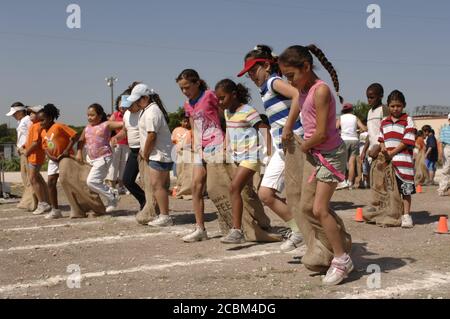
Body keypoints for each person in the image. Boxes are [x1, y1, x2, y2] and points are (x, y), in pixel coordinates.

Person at [278, 44, 352, 285]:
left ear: (306, 67)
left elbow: (321, 133)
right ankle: (331, 246)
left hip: (328, 155)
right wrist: (289, 126)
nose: (290, 81)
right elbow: (298, 102)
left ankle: (342, 259)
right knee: (306, 206)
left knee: (319, 209)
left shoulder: (320, 91)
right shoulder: (304, 87)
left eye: (291, 76)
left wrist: (304, 147)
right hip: (316, 151)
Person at [236, 45, 304, 252]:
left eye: (253, 70)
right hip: (280, 148)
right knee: (265, 194)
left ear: (266, 65)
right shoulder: (264, 88)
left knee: (304, 197)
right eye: (247, 73)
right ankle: (298, 231)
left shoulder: (274, 82)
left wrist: (289, 127)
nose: (251, 75)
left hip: (295, 144)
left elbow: (298, 97)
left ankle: (324, 241)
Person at [215, 79, 272, 244]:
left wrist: (269, 153)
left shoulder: (248, 111)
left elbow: (263, 128)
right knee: (248, 192)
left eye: (222, 98)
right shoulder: (227, 113)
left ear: (234, 95)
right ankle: (263, 223)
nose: (219, 102)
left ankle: (237, 230)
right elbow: (229, 132)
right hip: (237, 158)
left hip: (251, 157)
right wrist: (225, 147)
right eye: (218, 98)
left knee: (234, 188)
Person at [176, 69, 224, 242]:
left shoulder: (210, 95)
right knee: (196, 187)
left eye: (187, 87)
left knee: (217, 188)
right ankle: (200, 229)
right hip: (200, 150)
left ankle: (236, 225)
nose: (184, 91)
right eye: (181, 88)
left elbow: (223, 115)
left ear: (197, 83)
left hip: (217, 145)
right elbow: (192, 124)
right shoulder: (187, 104)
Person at [128, 84, 174, 227]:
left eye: (138, 100)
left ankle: (165, 216)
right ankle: (163, 214)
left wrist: (146, 154)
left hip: (157, 154)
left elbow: (152, 135)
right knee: (158, 186)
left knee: (157, 186)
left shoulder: (152, 111)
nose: (135, 102)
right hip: (157, 153)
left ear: (146, 98)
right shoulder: (148, 110)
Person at [379, 90, 416, 228]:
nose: (395, 109)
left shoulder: (408, 120)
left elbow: (407, 140)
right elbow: (381, 138)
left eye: (398, 106)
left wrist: (392, 153)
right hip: (389, 164)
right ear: (388, 106)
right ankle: (393, 214)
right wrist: (383, 149)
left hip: (404, 162)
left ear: (404, 105)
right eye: (393, 106)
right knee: (391, 190)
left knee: (405, 190)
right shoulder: (384, 121)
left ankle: (406, 215)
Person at [76, 103, 123, 213]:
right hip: (90, 159)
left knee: (92, 182)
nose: (89, 117)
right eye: (88, 115)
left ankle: (112, 195)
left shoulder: (106, 124)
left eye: (92, 115)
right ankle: (110, 197)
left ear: (100, 115)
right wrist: (79, 152)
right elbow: (81, 140)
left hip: (103, 158)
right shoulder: (87, 128)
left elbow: (124, 124)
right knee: (93, 182)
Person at [38, 104, 79, 219]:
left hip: (65, 158)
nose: (40, 123)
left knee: (70, 183)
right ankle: (55, 210)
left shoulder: (59, 126)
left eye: (42, 120)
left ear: (50, 118)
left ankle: (77, 207)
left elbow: (75, 136)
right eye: (39, 120)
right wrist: (50, 157)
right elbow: (45, 147)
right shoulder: (42, 132)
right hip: (53, 160)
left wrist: (66, 151)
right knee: (50, 183)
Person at [112, 91, 147, 210]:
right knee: (127, 180)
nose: (128, 108)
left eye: (130, 105)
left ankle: (151, 205)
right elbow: (124, 131)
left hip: (145, 151)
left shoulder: (144, 113)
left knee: (147, 182)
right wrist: (116, 137)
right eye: (126, 106)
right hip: (133, 152)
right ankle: (144, 200)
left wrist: (146, 150)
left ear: (136, 103)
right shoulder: (127, 114)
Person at [23, 106, 51, 215]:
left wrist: (27, 152)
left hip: (35, 156)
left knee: (33, 179)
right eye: (29, 113)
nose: (30, 115)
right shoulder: (34, 126)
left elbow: (36, 143)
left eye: (33, 113)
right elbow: (30, 141)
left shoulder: (37, 126)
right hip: (33, 155)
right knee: (35, 179)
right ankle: (44, 202)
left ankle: (42, 203)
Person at [6, 102, 32, 208]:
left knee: (29, 177)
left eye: (15, 113)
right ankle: (29, 200)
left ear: (21, 111)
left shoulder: (27, 120)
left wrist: (25, 147)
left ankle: (32, 201)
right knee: (25, 176)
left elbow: (31, 135)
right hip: (22, 150)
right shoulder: (21, 121)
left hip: (27, 150)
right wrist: (18, 145)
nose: (13, 115)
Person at [336, 103, 367, 190]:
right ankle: (350, 183)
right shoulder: (355, 117)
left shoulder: (341, 118)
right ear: (351, 109)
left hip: (343, 140)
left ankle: (343, 182)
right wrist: (357, 131)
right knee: (351, 163)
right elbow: (364, 128)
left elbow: (335, 128)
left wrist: (340, 132)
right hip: (354, 140)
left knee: (342, 162)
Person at [106, 97, 130, 194]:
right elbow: (108, 126)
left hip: (128, 144)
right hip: (116, 144)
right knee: (114, 166)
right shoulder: (115, 115)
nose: (122, 106)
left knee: (124, 166)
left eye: (124, 104)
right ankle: (111, 187)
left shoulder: (130, 114)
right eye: (120, 104)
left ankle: (122, 187)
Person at [438, 114, 450, 196]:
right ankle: (442, 189)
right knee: (446, 169)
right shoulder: (445, 129)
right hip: (448, 148)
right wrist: (440, 153)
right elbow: (440, 142)